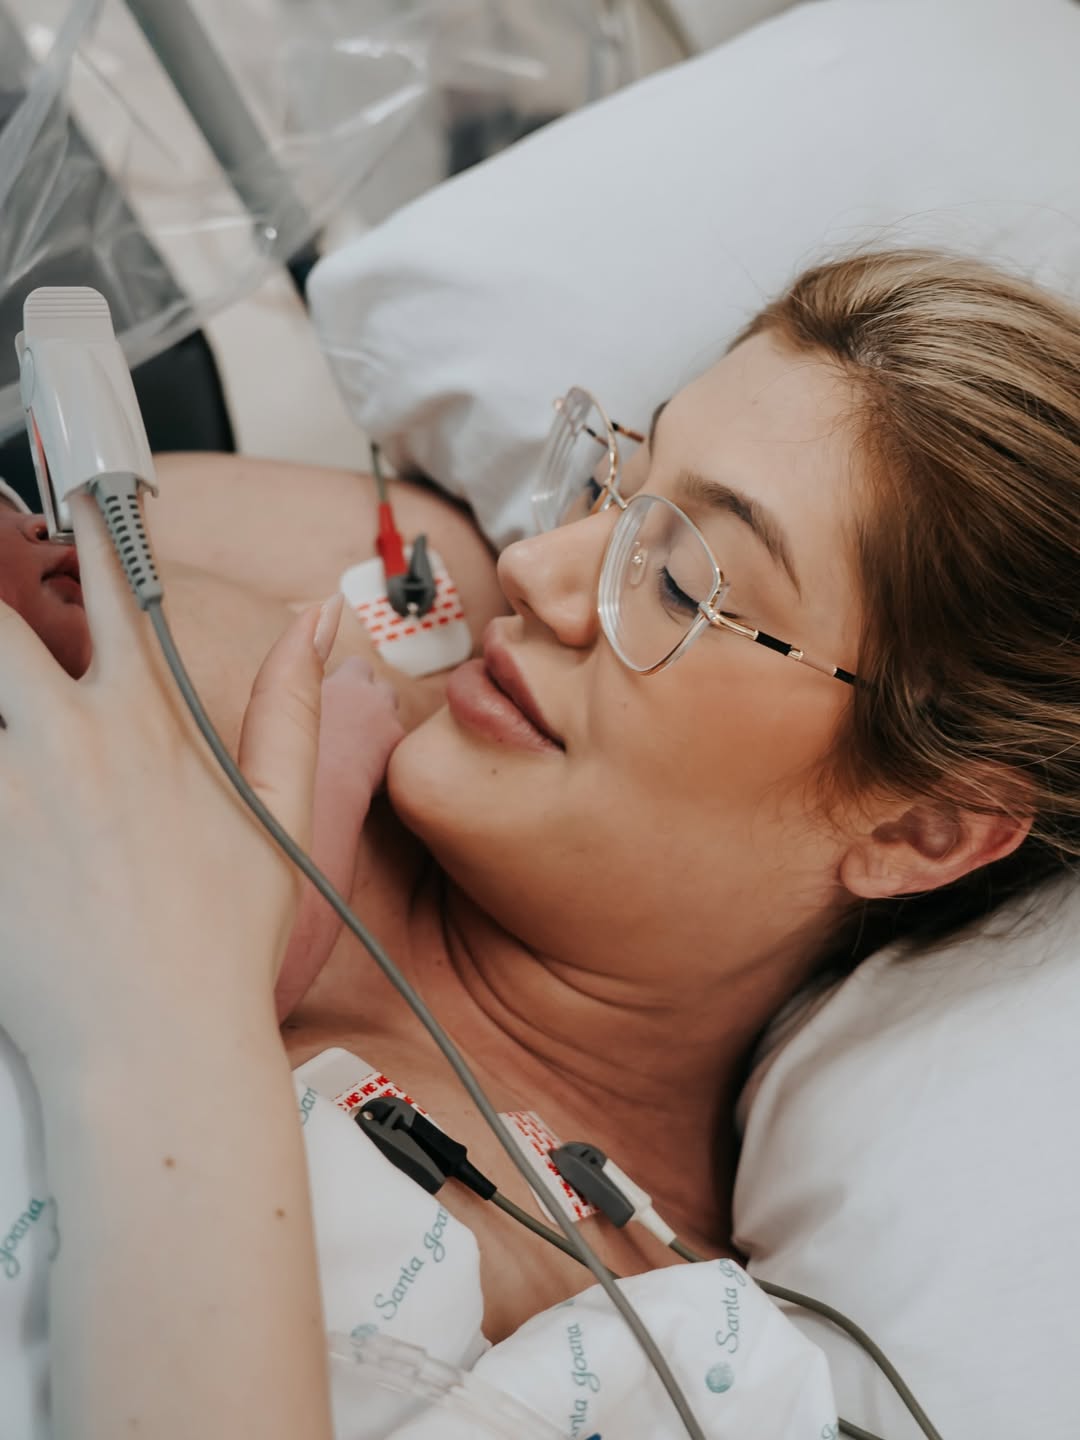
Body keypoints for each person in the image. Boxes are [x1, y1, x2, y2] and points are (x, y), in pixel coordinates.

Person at [0, 247, 1077, 1437]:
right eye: (619, 489)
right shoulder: (374, 593)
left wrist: (154, 1020)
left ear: (921, 829)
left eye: (681, 585)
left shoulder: (631, 1343)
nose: (536, 569)